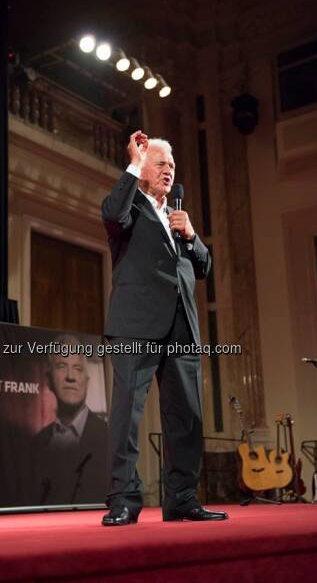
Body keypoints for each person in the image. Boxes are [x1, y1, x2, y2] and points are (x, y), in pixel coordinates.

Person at [101, 131, 228, 525]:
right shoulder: (130, 206)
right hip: (135, 324)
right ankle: (123, 500)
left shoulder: (178, 217)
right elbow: (111, 213)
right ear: (142, 169)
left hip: (182, 328)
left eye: (172, 166)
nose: (168, 171)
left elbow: (203, 268)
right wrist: (134, 163)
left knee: (186, 416)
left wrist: (192, 236)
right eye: (160, 163)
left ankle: (182, 499)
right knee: (127, 415)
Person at [32, 334, 107, 506]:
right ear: (49, 380)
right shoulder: (35, 444)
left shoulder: (108, 436)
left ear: (87, 381)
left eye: (78, 369)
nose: (70, 377)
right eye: (61, 366)